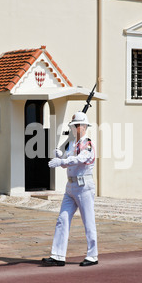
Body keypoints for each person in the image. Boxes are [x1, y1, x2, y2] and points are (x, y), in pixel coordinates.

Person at [42, 111, 98, 267]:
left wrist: (62, 160)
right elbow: (67, 163)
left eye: (76, 126)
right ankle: (58, 255)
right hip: (70, 187)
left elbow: (80, 159)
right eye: (73, 126)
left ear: (83, 127)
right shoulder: (73, 145)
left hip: (84, 187)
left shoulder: (88, 144)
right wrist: (61, 157)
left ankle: (92, 255)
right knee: (62, 219)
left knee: (88, 221)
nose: (74, 129)